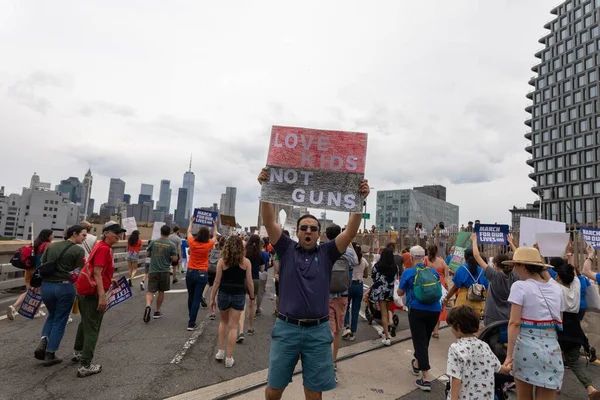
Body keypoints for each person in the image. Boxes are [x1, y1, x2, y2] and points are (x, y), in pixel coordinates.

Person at [257, 167, 370, 400]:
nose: (308, 231)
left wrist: (359, 201)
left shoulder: (328, 253)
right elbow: (269, 222)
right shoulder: (286, 248)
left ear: (319, 234)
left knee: (314, 392)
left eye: (313, 228)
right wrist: (265, 189)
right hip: (287, 329)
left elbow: (349, 233)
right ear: (296, 232)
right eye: (304, 228)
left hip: (318, 331)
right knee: (274, 390)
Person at [502, 247, 564, 399]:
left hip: (526, 349)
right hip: (552, 350)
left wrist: (509, 356)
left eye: (516, 265)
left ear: (523, 266)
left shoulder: (519, 286)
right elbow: (560, 320)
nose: (514, 269)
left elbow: (514, 323)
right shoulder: (556, 288)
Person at [74, 221, 125, 377]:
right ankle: (85, 365)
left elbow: (99, 272)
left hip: (86, 290)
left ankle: (79, 352)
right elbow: (97, 273)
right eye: (115, 232)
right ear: (107, 233)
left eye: (120, 232)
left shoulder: (101, 246)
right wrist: (102, 296)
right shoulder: (104, 249)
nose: (118, 235)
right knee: (93, 327)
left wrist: (110, 280)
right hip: (93, 293)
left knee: (86, 323)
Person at [34, 225, 86, 366]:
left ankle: (44, 339)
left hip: (47, 286)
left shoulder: (52, 246)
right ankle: (50, 353)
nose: (85, 237)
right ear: (74, 234)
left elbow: (42, 263)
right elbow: (78, 272)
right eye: (83, 235)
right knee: (60, 319)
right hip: (64, 287)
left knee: (52, 315)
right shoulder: (78, 251)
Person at [550, 261, 600, 399]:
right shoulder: (576, 287)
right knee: (573, 360)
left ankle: (556, 386)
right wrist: (570, 256)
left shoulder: (556, 287)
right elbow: (575, 275)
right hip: (575, 328)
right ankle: (590, 388)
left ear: (558, 277)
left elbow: (543, 273)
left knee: (554, 356)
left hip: (560, 326)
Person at [397, 245, 442, 392]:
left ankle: (425, 378)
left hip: (417, 309)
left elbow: (399, 291)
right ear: (424, 258)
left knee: (419, 340)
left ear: (411, 257)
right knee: (424, 339)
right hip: (435, 309)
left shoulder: (409, 272)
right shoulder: (433, 271)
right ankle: (417, 363)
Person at [445, 305, 510, 400]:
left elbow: (456, 379)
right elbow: (499, 368)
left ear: (458, 327)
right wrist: (508, 368)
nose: (451, 330)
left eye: (452, 327)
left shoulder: (455, 349)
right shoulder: (485, 346)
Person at [211, 236, 254, 368]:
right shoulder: (246, 262)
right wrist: (252, 297)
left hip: (224, 293)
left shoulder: (221, 261)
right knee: (234, 326)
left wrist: (212, 298)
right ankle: (229, 358)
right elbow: (249, 282)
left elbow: (217, 281)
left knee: (223, 322)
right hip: (239, 294)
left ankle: (220, 351)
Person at [325, 224, 357, 381]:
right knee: (338, 330)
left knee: (327, 329)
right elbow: (356, 262)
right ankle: (334, 361)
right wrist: (348, 242)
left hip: (326, 295)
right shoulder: (349, 252)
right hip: (343, 294)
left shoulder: (324, 249)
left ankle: (325, 362)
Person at [470, 234, 519, 327]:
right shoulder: (515, 276)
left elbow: (476, 256)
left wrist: (474, 240)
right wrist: (511, 243)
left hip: (492, 316)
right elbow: (519, 258)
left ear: (496, 264)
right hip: (508, 316)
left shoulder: (494, 276)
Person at [7, 229, 53, 321]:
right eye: (52, 235)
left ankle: (15, 307)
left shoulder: (35, 243)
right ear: (47, 236)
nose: (53, 237)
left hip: (28, 270)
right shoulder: (47, 245)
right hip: (38, 271)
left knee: (31, 291)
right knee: (37, 291)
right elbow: (45, 259)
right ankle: (21, 308)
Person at [185, 217, 218, 330]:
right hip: (202, 273)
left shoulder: (192, 242)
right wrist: (215, 225)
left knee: (190, 296)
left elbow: (188, 232)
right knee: (196, 298)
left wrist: (191, 222)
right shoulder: (208, 244)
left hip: (190, 272)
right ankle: (191, 322)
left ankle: (191, 316)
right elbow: (215, 237)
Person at [144, 225, 178, 323]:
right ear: (169, 232)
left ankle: (148, 306)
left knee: (150, 291)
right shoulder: (171, 245)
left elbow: (147, 254)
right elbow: (175, 259)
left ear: (161, 232)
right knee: (161, 291)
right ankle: (157, 311)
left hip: (153, 270)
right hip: (164, 271)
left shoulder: (154, 242)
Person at [444, 248, 489, 319]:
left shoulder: (462, 269)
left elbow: (455, 287)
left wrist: (446, 298)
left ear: (465, 257)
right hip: (479, 304)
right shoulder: (482, 270)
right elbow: (487, 287)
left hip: (463, 303)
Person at [370, 247, 397, 345]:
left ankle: (387, 336)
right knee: (388, 310)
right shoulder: (394, 266)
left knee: (383, 314)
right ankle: (388, 328)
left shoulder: (378, 265)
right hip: (390, 291)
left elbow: (373, 275)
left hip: (380, 291)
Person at [342, 242, 368, 341]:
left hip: (348, 285)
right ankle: (353, 333)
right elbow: (366, 275)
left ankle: (347, 327)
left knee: (345, 307)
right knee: (355, 310)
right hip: (359, 285)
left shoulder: (349, 259)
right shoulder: (364, 261)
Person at [424, 244, 449, 338]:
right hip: (440, 283)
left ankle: (429, 328)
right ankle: (436, 331)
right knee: (439, 307)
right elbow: (446, 273)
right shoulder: (441, 261)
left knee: (428, 305)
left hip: (428, 283)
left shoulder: (425, 260)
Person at [244, 234, 264, 334]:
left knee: (242, 303)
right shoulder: (261, 254)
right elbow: (262, 269)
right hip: (255, 279)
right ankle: (250, 327)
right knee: (252, 302)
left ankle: (240, 330)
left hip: (243, 279)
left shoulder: (245, 252)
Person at [204, 236, 226, 320]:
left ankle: (212, 312)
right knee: (217, 293)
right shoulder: (224, 253)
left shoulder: (213, 250)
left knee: (212, 289)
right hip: (218, 271)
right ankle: (215, 311)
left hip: (210, 269)